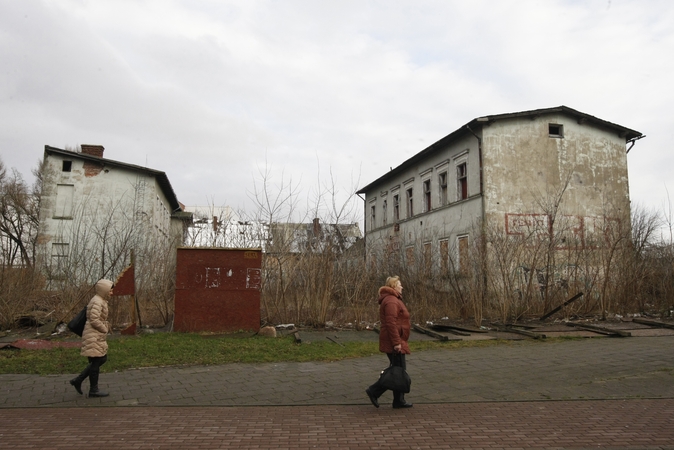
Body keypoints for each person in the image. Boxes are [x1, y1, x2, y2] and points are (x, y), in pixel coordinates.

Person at [365, 275, 413, 409]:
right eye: (400, 284)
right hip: (395, 341)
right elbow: (391, 324)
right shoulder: (391, 301)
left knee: (398, 370)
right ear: (393, 286)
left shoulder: (393, 299)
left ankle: (399, 400)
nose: (402, 286)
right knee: (397, 371)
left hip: (397, 340)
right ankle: (374, 391)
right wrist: (396, 342)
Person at [69, 279, 113, 398]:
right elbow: (94, 319)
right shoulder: (97, 301)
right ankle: (93, 390)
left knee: (101, 359)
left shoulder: (100, 300)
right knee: (96, 361)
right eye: (110, 290)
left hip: (95, 335)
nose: (111, 292)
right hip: (93, 335)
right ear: (104, 290)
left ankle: (78, 380)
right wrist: (104, 329)